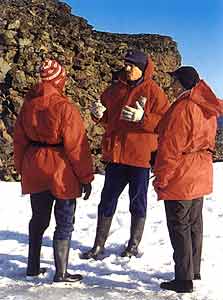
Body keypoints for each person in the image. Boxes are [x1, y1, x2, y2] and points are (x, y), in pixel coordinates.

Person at [81, 49, 170, 260]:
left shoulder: (154, 91)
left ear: (142, 68)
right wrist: (99, 115)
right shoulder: (114, 90)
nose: (127, 68)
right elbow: (107, 117)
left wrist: (143, 118)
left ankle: (133, 245)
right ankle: (98, 246)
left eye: (131, 65)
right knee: (107, 200)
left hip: (140, 158)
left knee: (137, 202)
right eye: (126, 64)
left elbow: (166, 124)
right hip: (116, 156)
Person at [13, 59, 94, 283]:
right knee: (64, 220)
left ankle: (32, 266)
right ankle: (61, 272)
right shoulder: (64, 107)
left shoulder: (28, 105)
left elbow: (19, 141)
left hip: (34, 164)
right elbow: (77, 146)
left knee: (38, 218)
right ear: (59, 80)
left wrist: (21, 167)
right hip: (61, 168)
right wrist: (86, 178)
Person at [153, 66, 223, 293]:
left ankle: (183, 280)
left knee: (179, 225)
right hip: (200, 169)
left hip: (182, 173)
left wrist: (161, 178)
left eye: (174, 81)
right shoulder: (207, 106)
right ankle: (193, 270)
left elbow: (170, 149)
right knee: (194, 223)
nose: (171, 85)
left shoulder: (182, 108)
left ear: (182, 83)